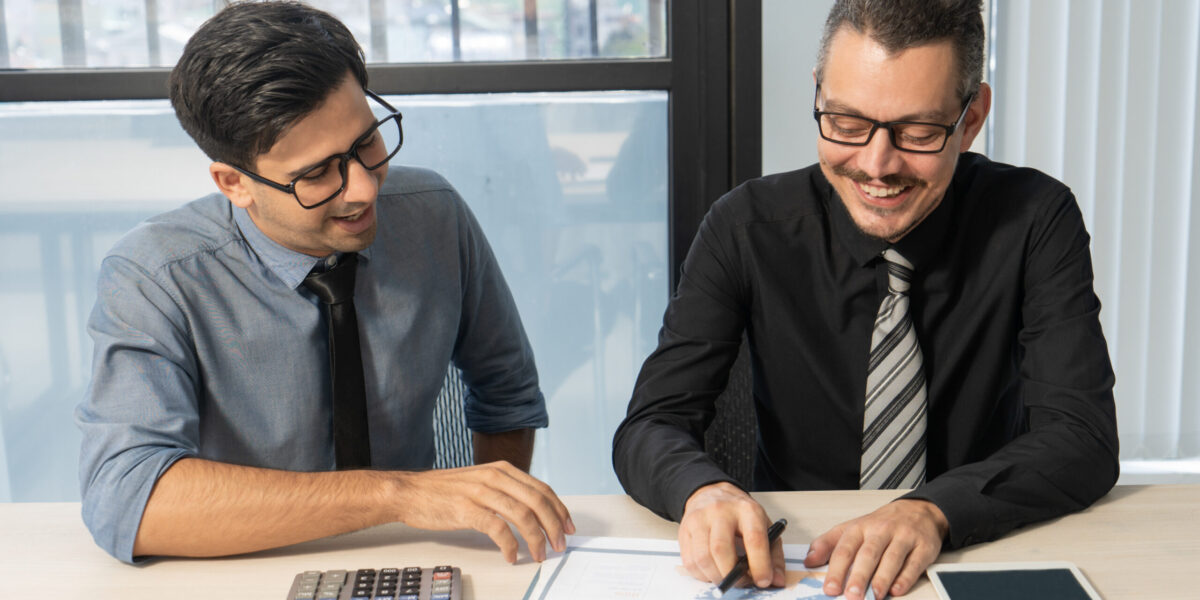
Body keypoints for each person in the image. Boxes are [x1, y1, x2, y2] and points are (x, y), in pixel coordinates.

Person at [611, 1, 1119, 599]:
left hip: (973, 548)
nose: (877, 165)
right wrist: (704, 491)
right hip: (801, 563)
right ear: (819, 94)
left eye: (918, 132)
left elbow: (1081, 438)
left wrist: (932, 511)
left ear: (972, 117)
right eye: (848, 123)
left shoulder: (1036, 219)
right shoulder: (744, 228)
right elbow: (651, 424)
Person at [76, 1, 573, 565]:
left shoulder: (435, 215)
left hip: (417, 558)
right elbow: (125, 498)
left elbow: (507, 393)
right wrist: (398, 494)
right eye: (316, 173)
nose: (362, 189)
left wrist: (490, 522)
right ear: (233, 182)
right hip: (248, 567)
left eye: (367, 144)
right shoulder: (155, 276)